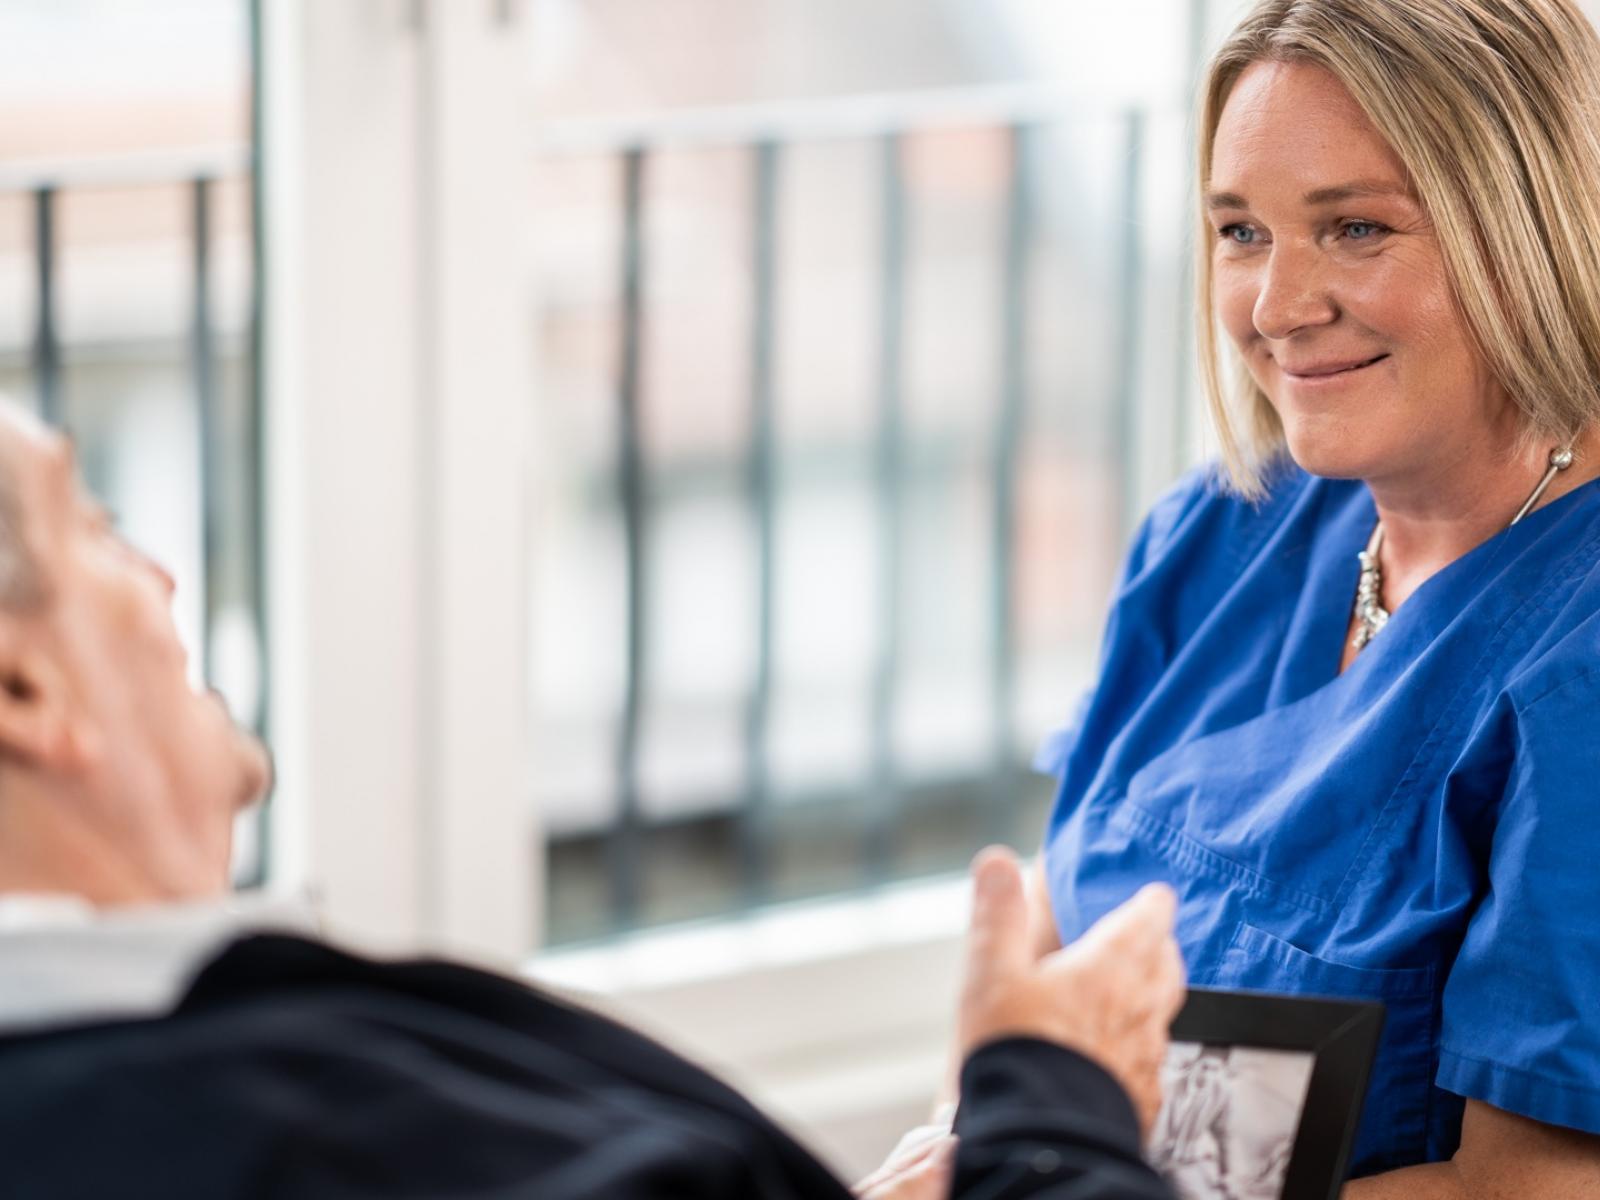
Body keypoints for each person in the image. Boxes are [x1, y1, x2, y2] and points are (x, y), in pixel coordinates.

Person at [0, 398, 1186, 1199]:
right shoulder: (244, 1125)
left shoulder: (179, 1063)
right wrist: (1049, 1109)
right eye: (96, 530)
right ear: (20, 687)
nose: (159, 574)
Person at [1022, 0, 1600, 1195]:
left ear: (1535, 231)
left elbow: (1526, 1188)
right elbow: (1052, 912)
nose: (1278, 306)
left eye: (1353, 228)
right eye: (1241, 230)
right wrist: (971, 1138)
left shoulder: (1577, 667)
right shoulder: (1221, 531)